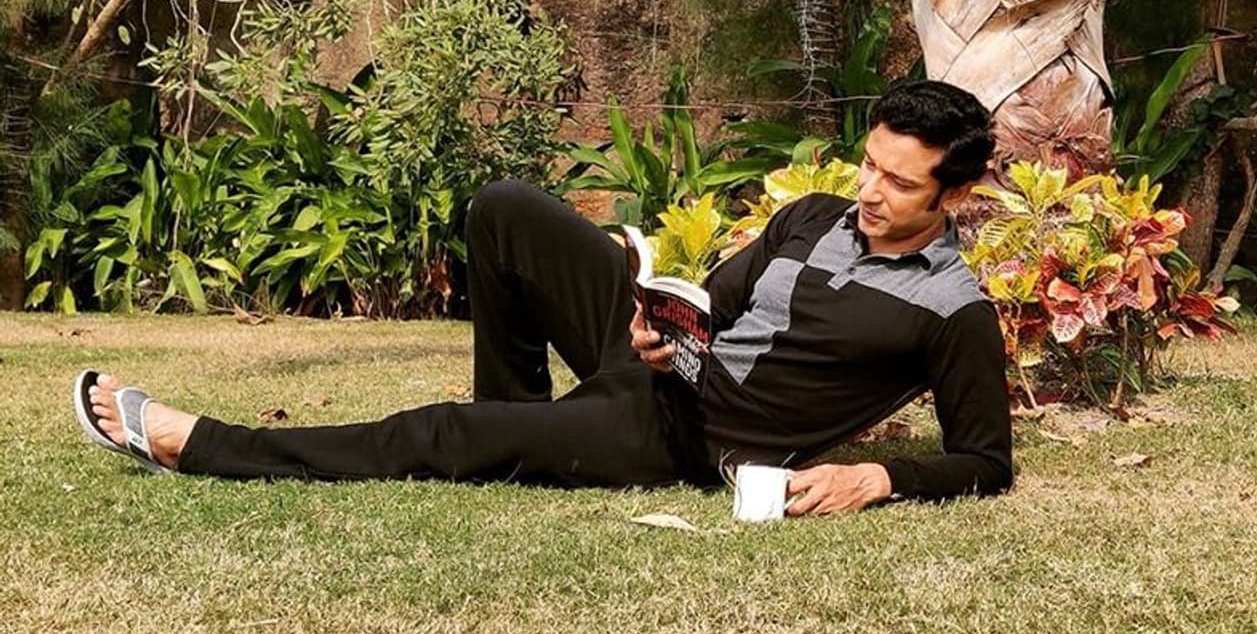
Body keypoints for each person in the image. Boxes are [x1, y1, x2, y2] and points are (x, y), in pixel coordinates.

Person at [76, 79, 1013, 515]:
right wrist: (656, 322)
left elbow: (985, 460)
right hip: (658, 371)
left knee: (436, 431)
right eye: (868, 164)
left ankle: (201, 444)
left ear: (955, 194)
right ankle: (515, 422)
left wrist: (875, 478)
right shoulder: (812, 215)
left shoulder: (953, 311)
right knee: (506, 208)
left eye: (899, 182)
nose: (869, 191)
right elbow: (710, 304)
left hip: (688, 438)